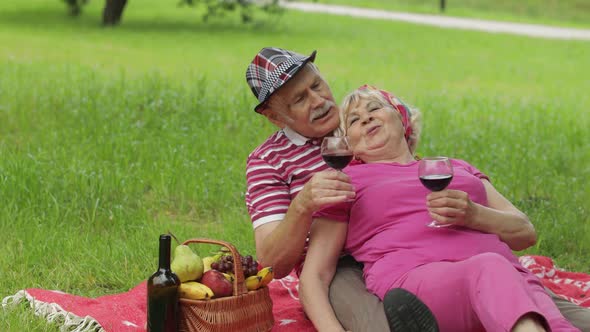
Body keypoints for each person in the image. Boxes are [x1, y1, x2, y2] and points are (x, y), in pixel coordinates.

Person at [244, 46, 590, 331]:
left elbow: (521, 230)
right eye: (299, 100)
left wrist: (469, 211)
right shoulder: (271, 163)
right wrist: (304, 205)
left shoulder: (422, 157)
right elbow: (274, 263)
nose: (319, 101)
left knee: (540, 303)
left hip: (457, 255)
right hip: (349, 264)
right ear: (276, 117)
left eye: (317, 86)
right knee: (378, 322)